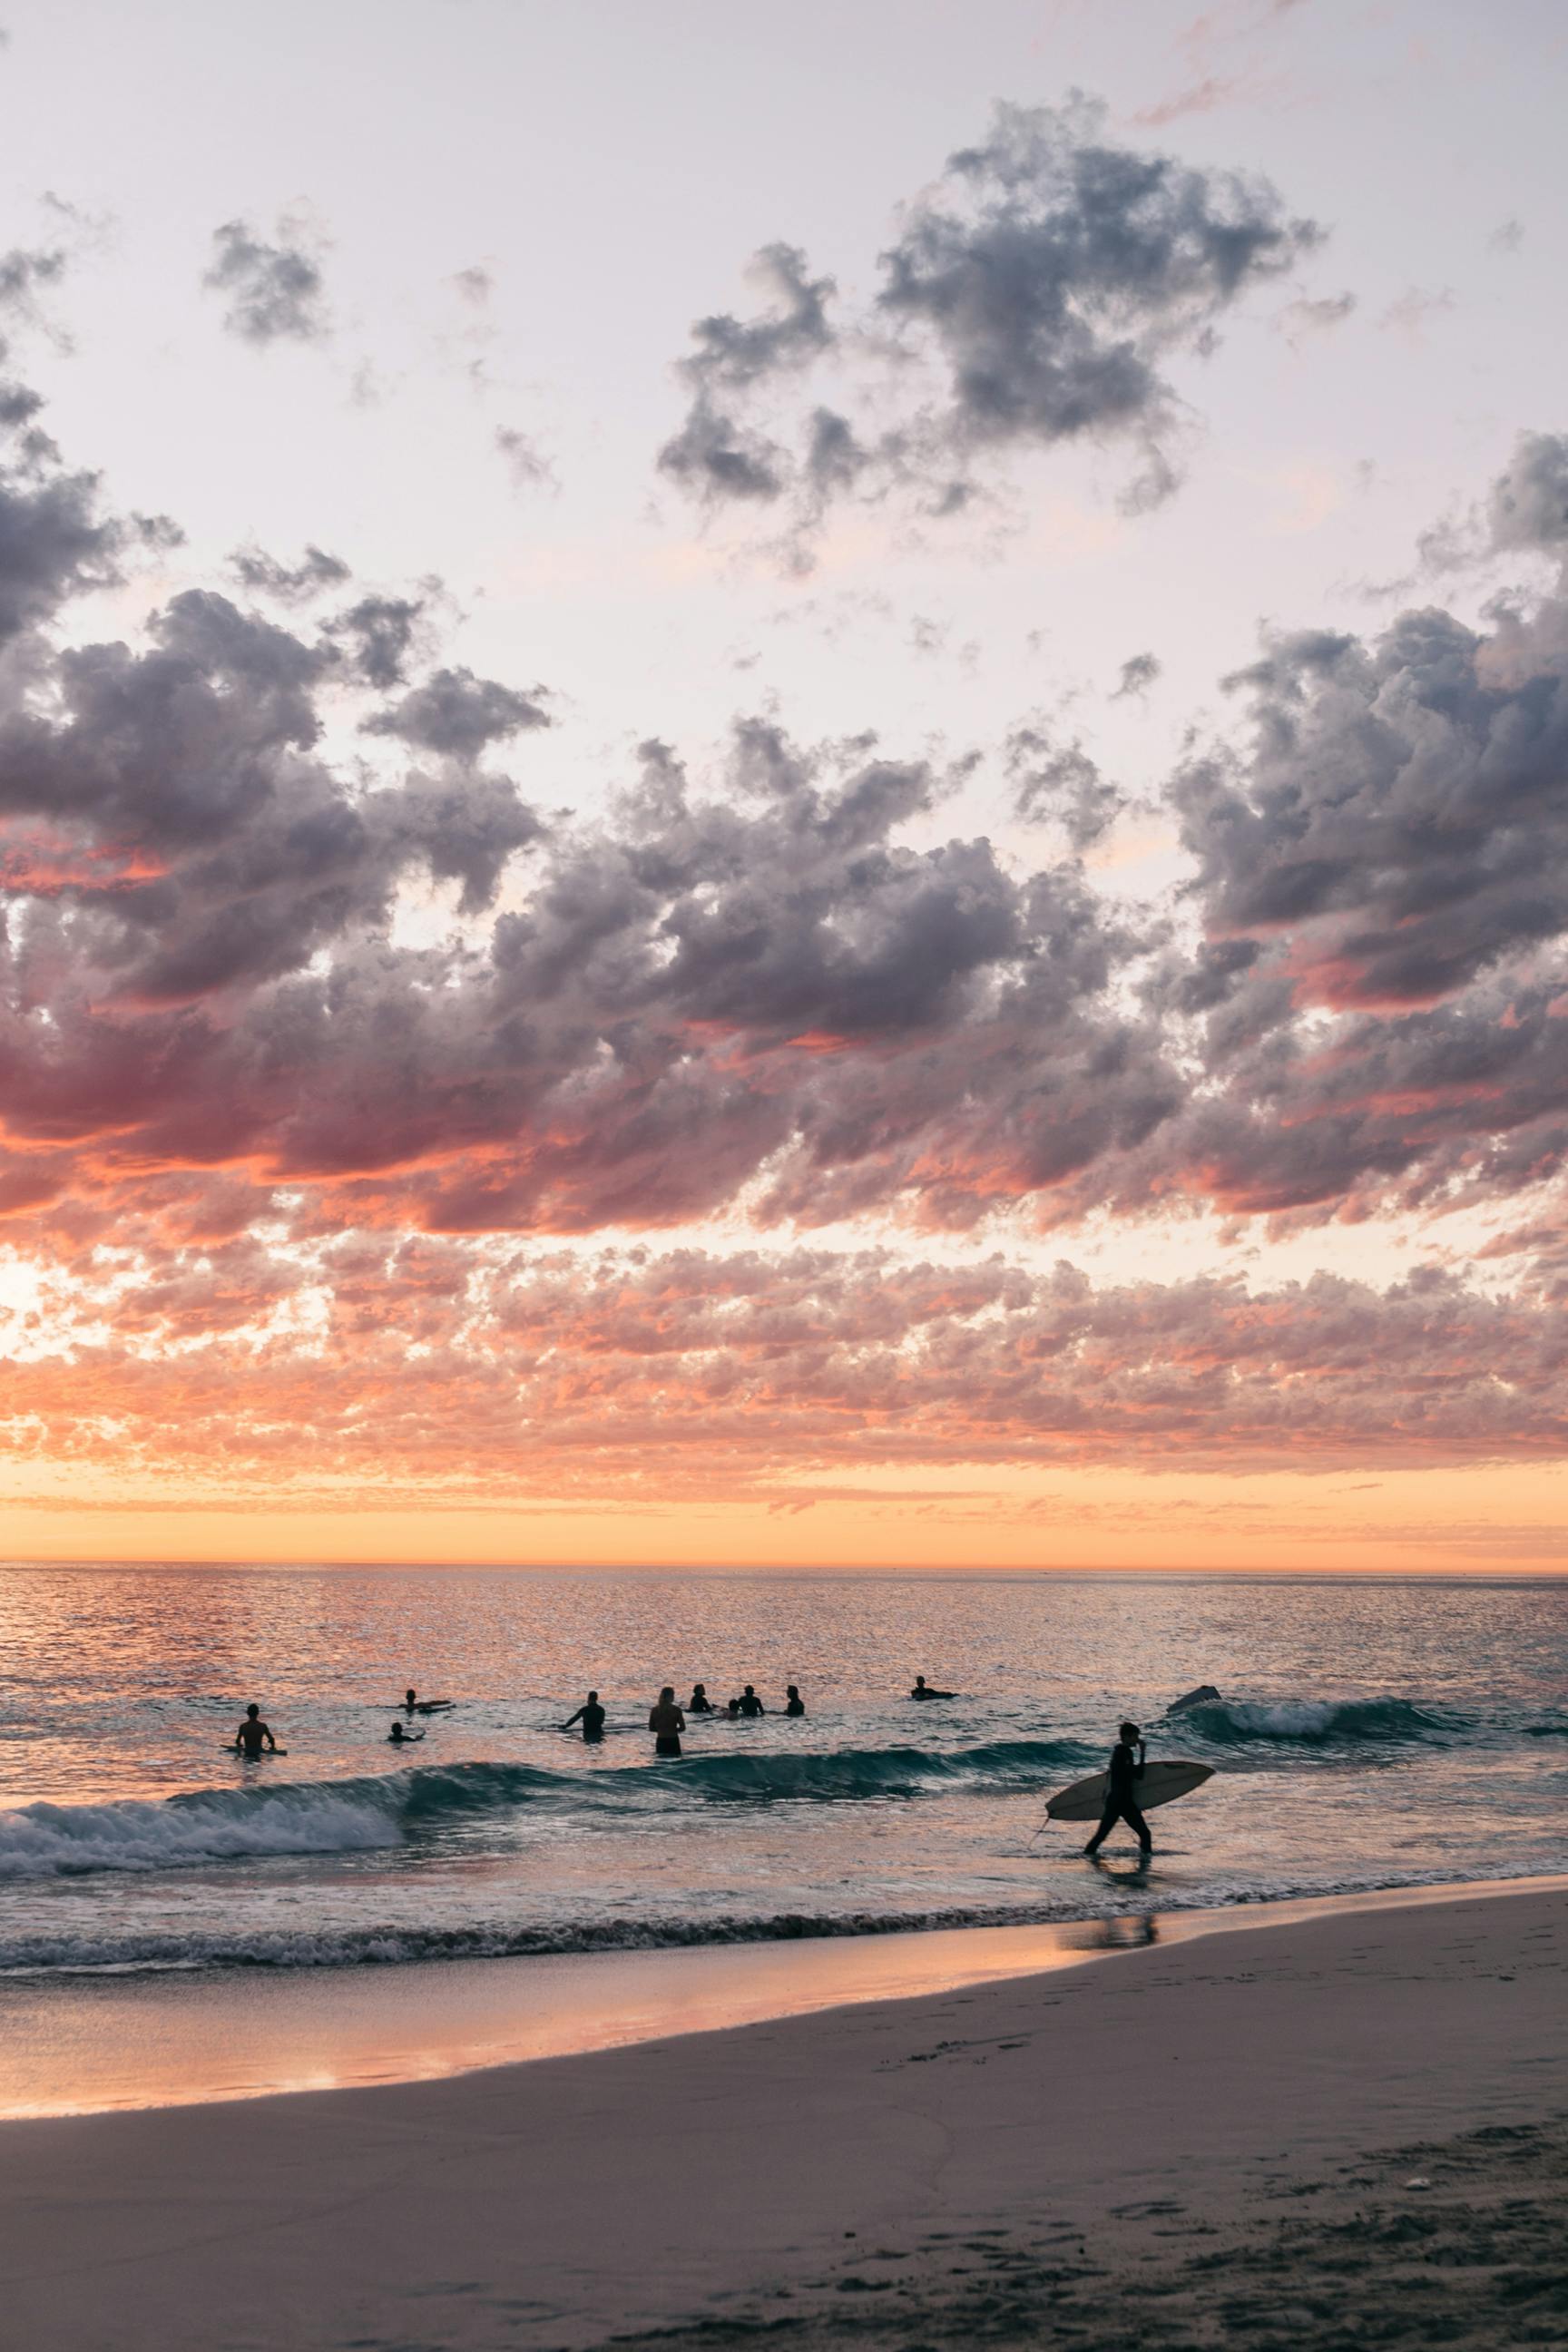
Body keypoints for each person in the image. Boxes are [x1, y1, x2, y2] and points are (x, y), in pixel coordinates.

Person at [1083, 1720, 1152, 1858]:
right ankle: (1145, 1862)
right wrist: (1143, 1753)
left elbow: (1130, 1773)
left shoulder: (1120, 1752)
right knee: (1145, 1834)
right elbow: (1139, 1775)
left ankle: (1087, 1856)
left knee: (1101, 1836)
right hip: (1122, 1802)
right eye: (1135, 1736)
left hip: (1117, 1801)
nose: (1137, 1739)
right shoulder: (1123, 1753)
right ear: (1127, 1736)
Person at [649, 1686, 686, 1759]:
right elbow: (683, 1728)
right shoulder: (676, 1710)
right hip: (673, 1740)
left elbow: (651, 1728)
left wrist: (661, 1729)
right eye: (673, 1695)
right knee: (676, 1763)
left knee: (661, 1764)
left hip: (661, 1740)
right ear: (670, 1696)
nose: (674, 1697)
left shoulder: (654, 1710)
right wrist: (673, 1730)